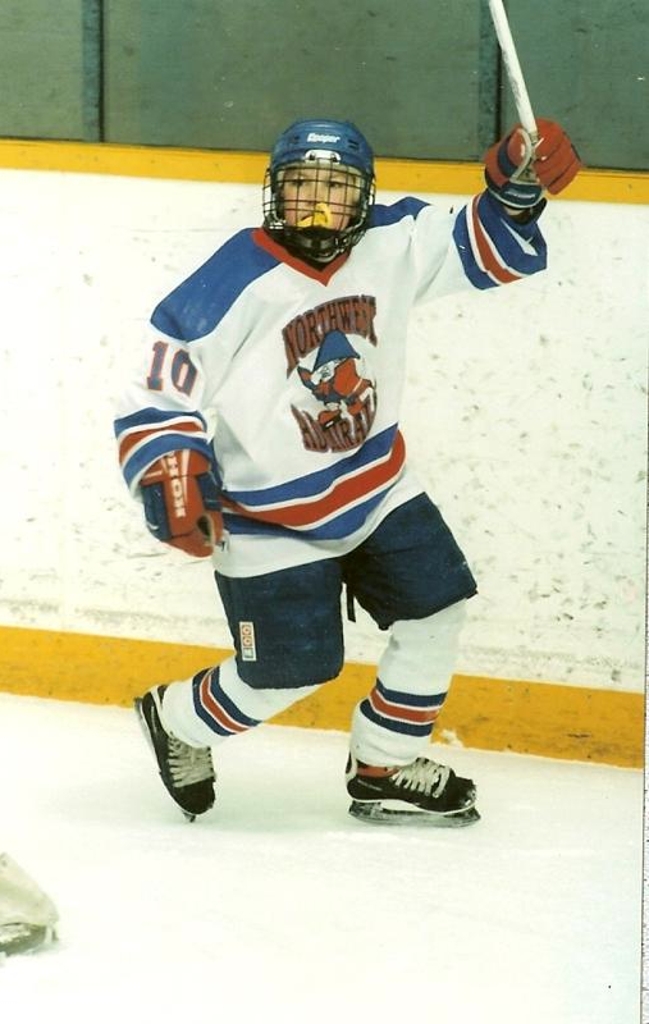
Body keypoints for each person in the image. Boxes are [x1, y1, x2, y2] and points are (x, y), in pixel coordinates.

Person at [115, 116, 580, 826]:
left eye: (336, 189)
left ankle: (382, 765)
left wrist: (515, 191)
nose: (319, 207)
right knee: (285, 675)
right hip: (266, 516)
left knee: (435, 612)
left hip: (378, 486)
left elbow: (487, 250)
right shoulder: (232, 281)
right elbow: (156, 388)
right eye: (301, 187)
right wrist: (170, 464)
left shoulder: (393, 239)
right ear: (274, 192)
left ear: (364, 195)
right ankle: (178, 720)